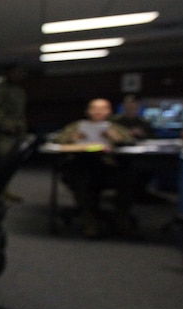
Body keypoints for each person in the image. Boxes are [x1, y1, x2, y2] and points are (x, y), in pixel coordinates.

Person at [52, 98, 136, 238]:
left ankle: (121, 219)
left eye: (103, 108)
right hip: (81, 164)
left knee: (128, 177)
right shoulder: (77, 125)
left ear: (109, 111)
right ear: (88, 111)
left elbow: (129, 141)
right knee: (79, 177)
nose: (98, 112)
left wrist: (117, 138)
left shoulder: (114, 127)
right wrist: (72, 139)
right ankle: (89, 220)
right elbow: (58, 140)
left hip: (109, 165)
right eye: (94, 108)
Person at [0, 65, 27, 201]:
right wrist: (6, 125)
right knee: (2, 163)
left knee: (11, 164)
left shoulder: (19, 91)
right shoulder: (0, 90)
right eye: (15, 73)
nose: (18, 76)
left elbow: (20, 112)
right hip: (4, 134)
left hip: (17, 131)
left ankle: (5, 190)